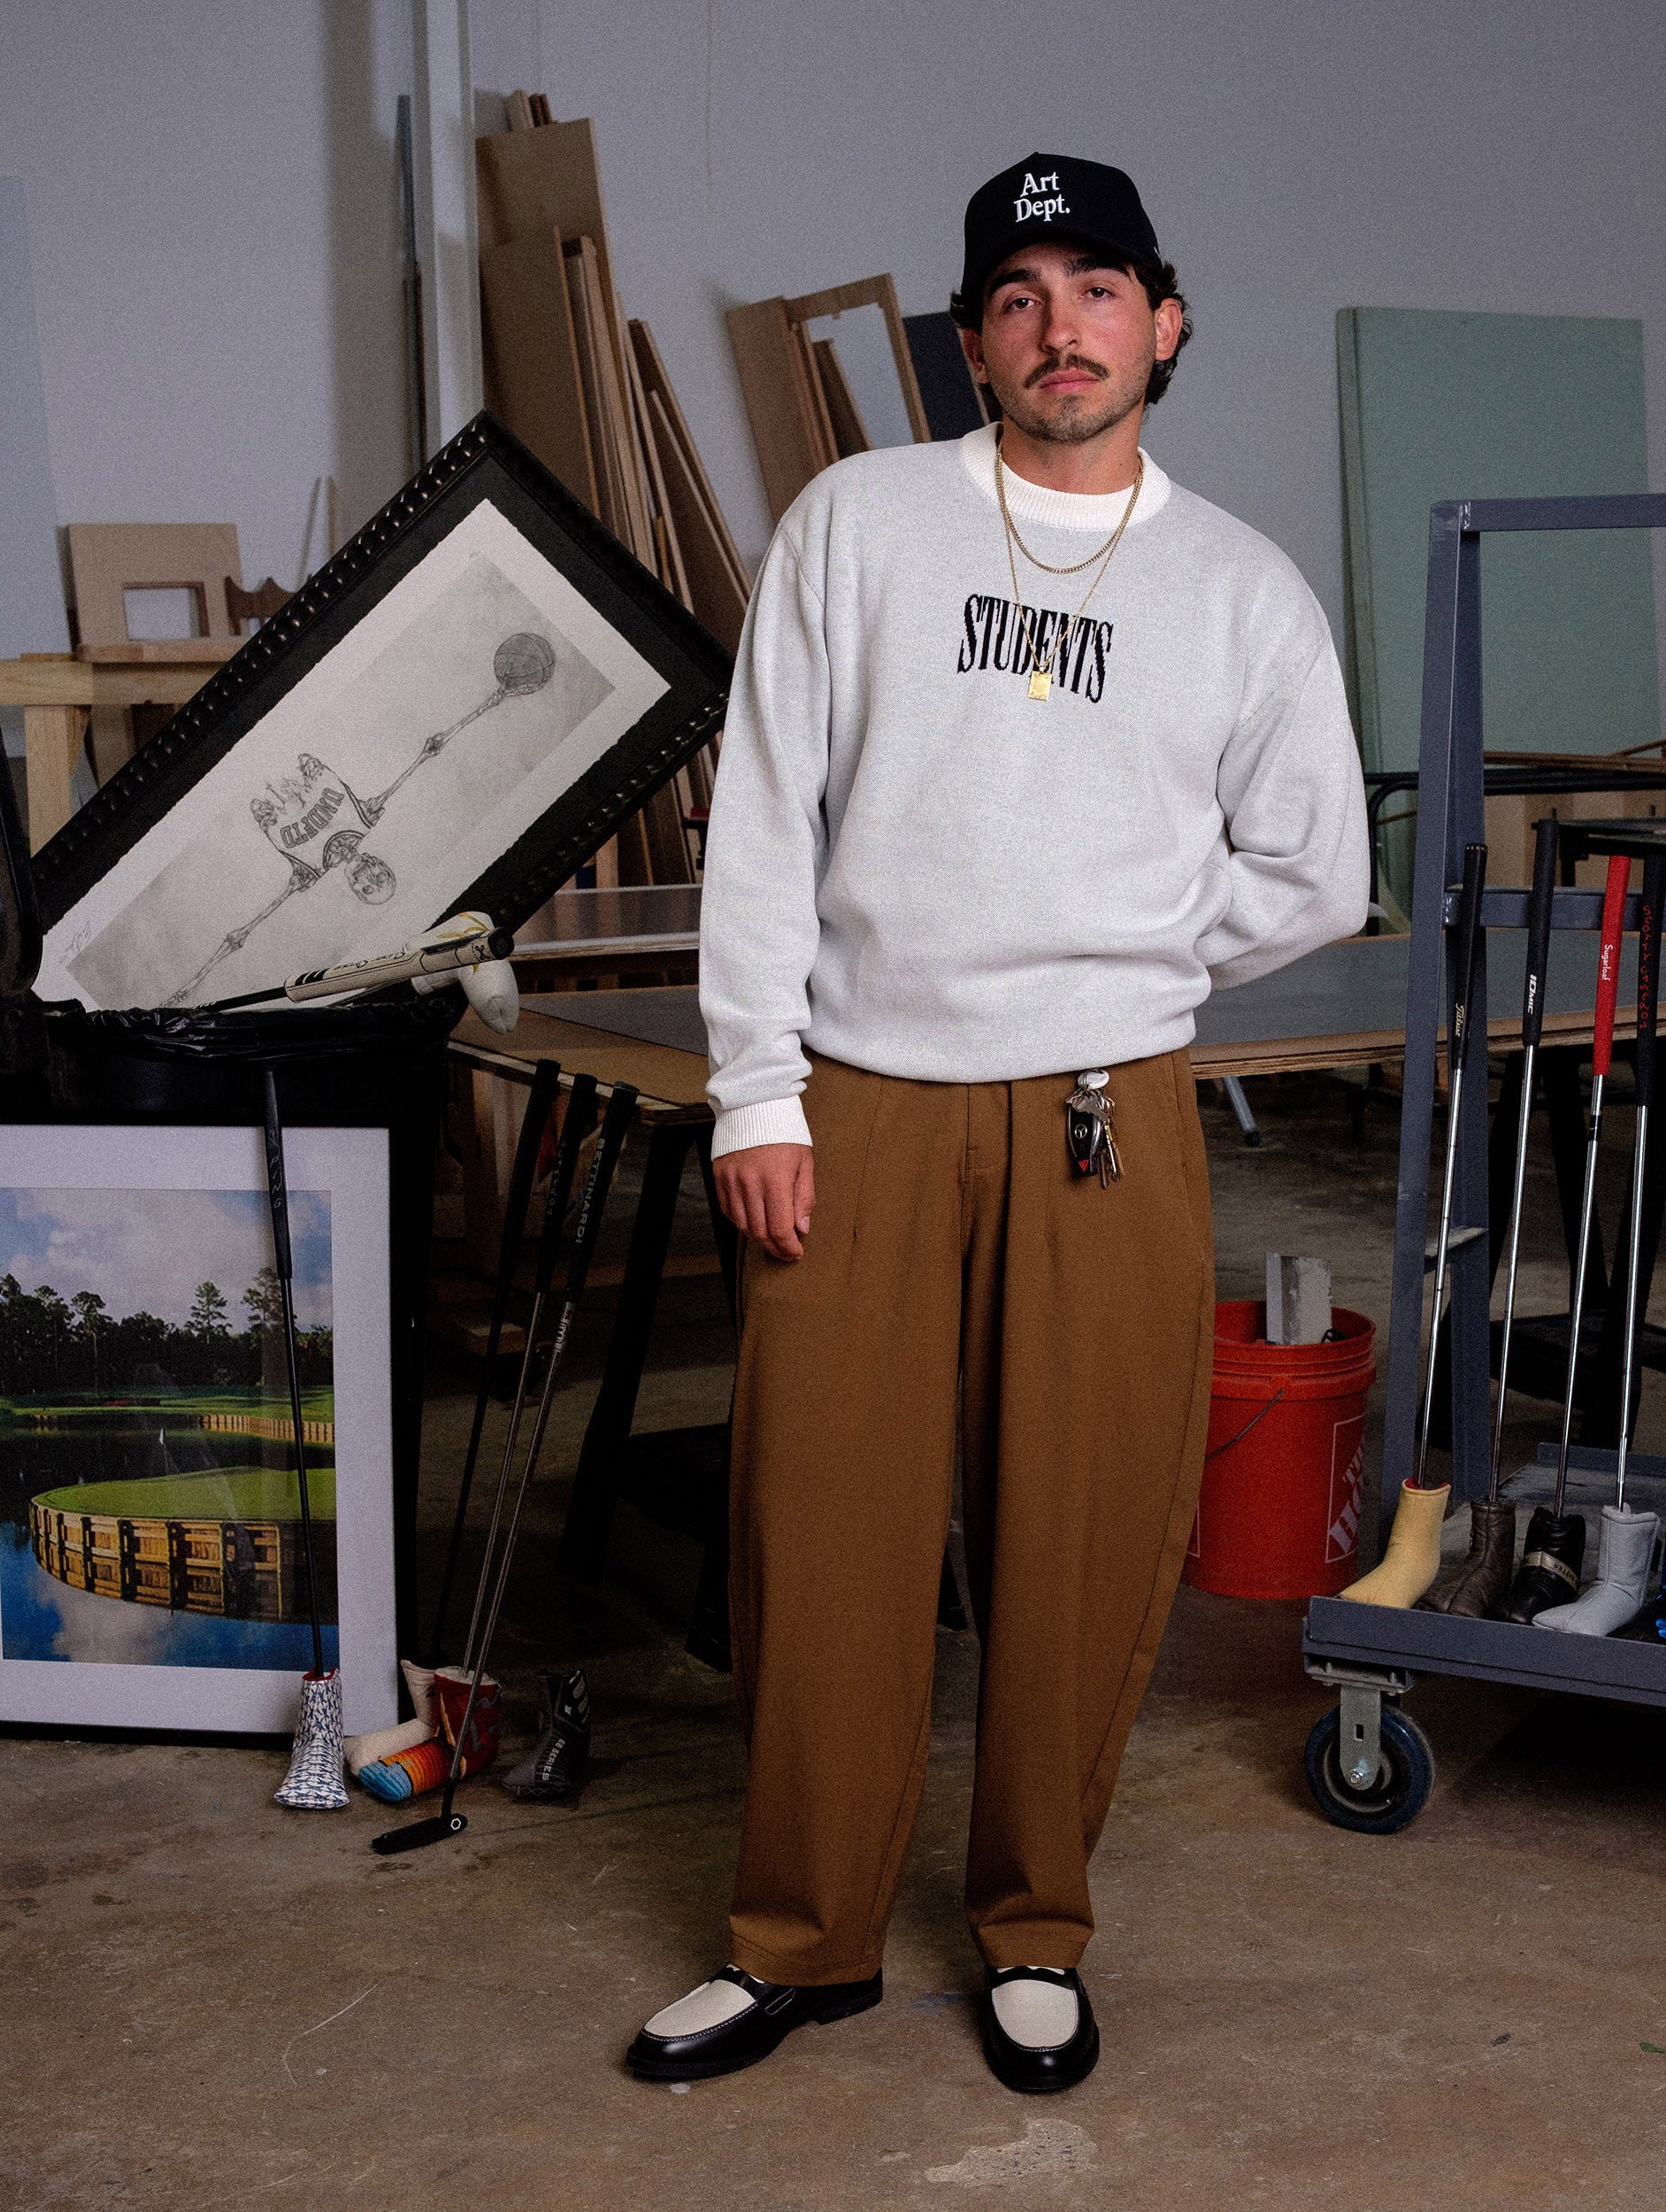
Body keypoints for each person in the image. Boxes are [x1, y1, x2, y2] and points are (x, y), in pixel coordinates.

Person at [626, 153, 1367, 2093]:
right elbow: (765, 817)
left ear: (1165, 320)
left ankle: (1034, 1925)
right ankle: (803, 1940)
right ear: (973, 339)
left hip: (1105, 1113)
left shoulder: (1241, 588)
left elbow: (1313, 869)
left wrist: (1131, 960)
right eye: (1020, 296)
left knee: (1085, 1537)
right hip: (857, 1107)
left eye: (1098, 289)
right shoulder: (858, 525)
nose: (1061, 328)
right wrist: (757, 1089)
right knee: (822, 1537)